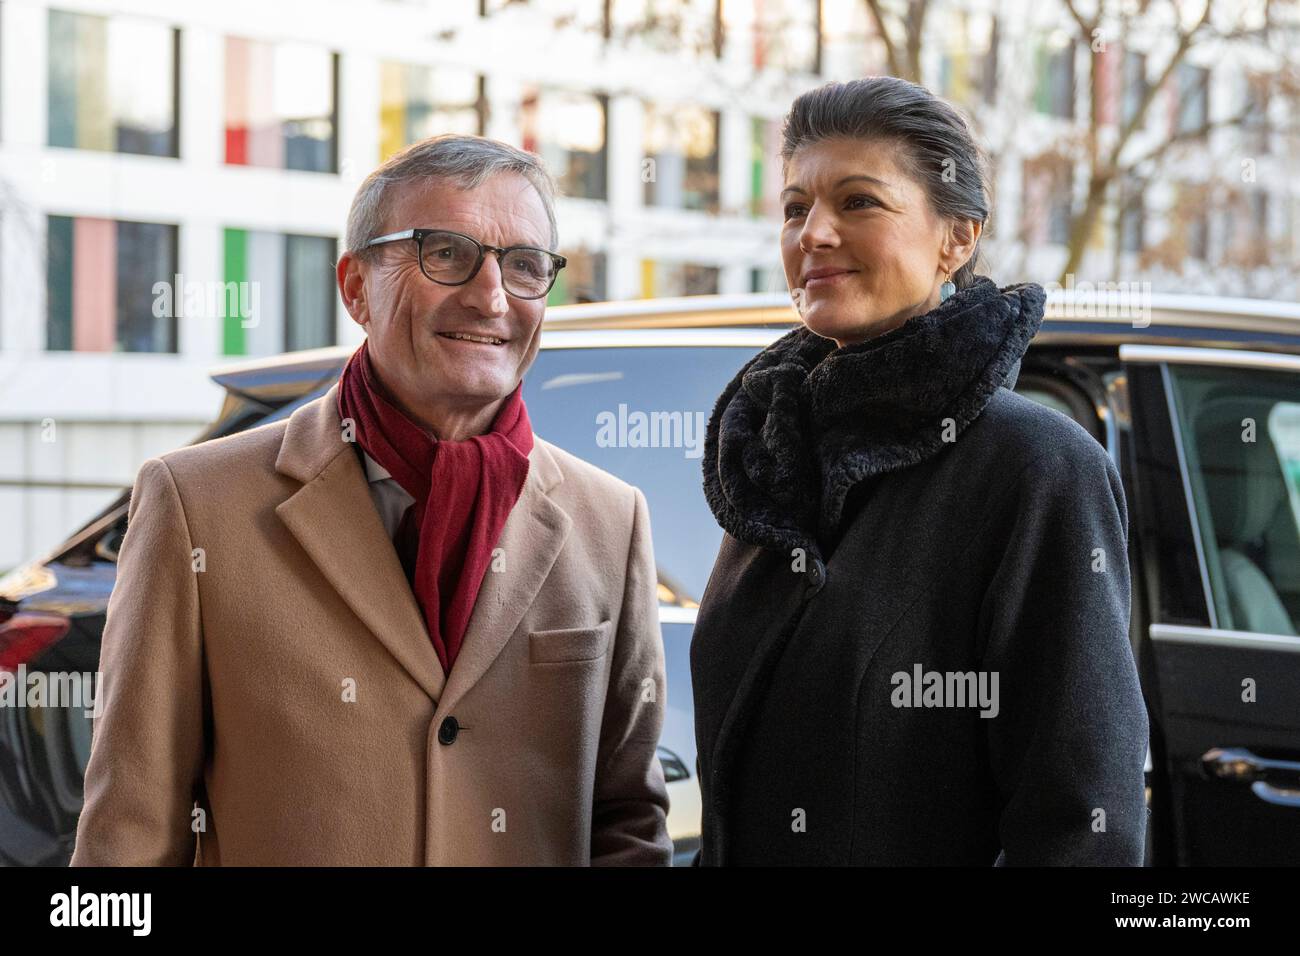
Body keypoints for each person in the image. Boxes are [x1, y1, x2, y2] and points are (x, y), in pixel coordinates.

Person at [71, 134, 672, 866]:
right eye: (446, 254)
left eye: (524, 266)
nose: (490, 297)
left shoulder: (612, 519)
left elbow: (629, 823)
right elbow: (126, 843)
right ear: (355, 286)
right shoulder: (196, 505)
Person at [691, 77, 1149, 865]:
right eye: (796, 208)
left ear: (957, 238)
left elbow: (1080, 820)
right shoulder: (769, 457)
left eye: (859, 202)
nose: (815, 234)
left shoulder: (1035, 466)